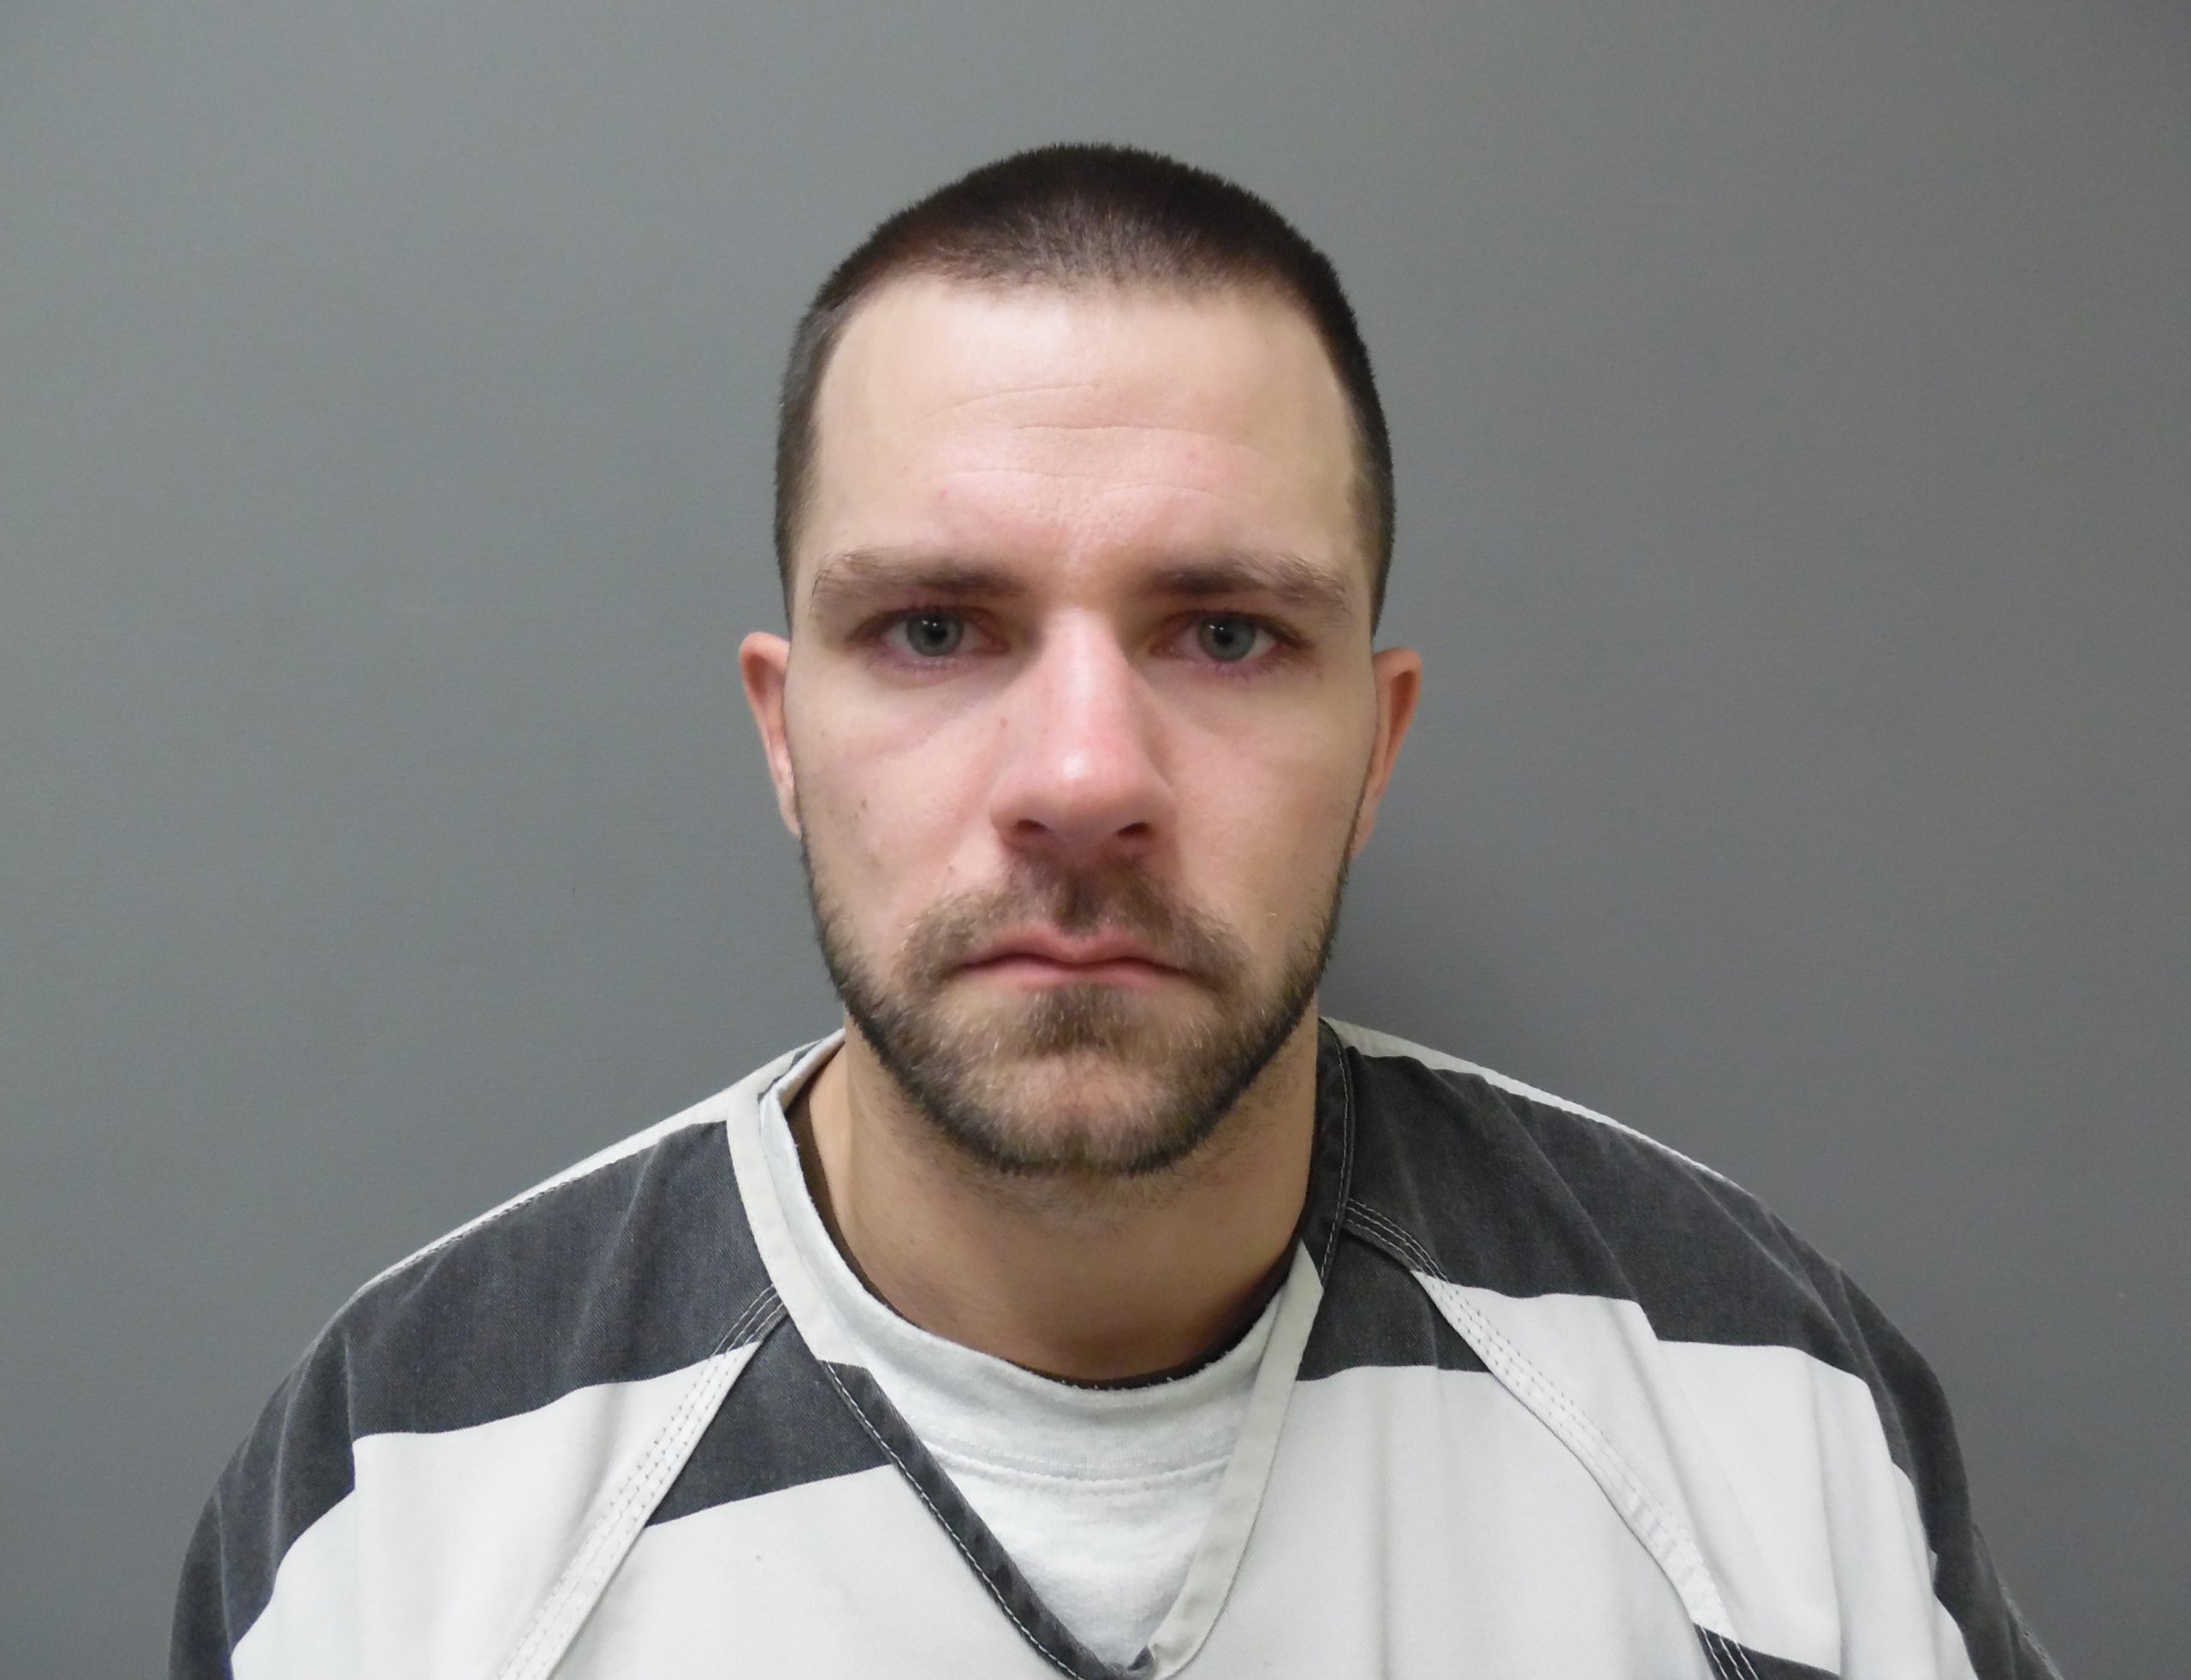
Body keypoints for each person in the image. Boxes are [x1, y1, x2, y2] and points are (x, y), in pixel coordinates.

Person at [172, 143, 2060, 1680]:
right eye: (934, 628)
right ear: (785, 733)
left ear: (1376, 744)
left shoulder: (1765, 1407)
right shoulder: (399, 1488)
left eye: (1225, 634)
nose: (1081, 778)